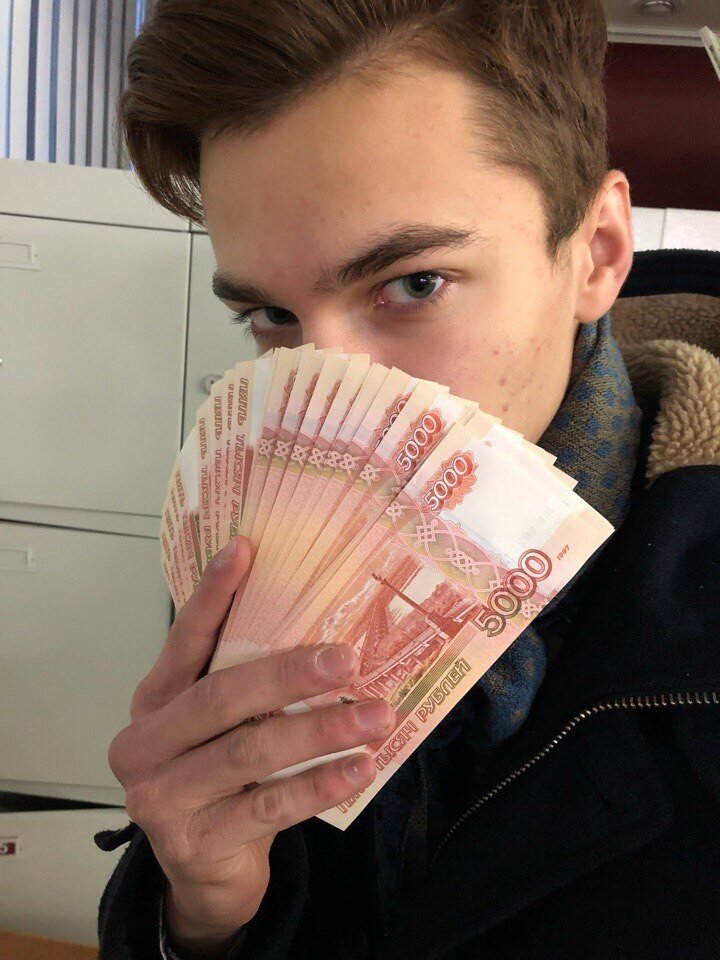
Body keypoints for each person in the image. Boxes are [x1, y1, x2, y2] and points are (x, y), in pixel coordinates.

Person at [93, 1, 720, 957]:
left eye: (415, 284)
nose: (329, 402)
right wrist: (202, 916)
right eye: (270, 316)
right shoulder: (254, 546)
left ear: (597, 251)